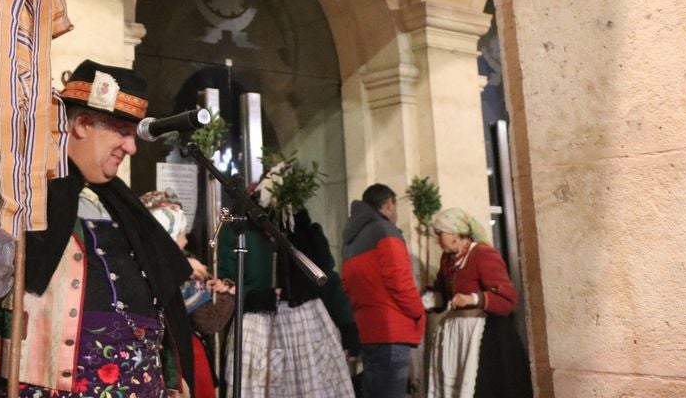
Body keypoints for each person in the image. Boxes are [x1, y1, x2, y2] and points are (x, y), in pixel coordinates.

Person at [0, 60, 197, 397]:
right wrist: (10, 213)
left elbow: (166, 302)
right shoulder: (20, 185)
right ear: (83, 124)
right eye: (122, 132)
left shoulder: (122, 202)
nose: (131, 147)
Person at [216, 161, 357, 398]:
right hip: (258, 325)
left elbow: (326, 279)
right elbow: (226, 284)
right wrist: (255, 296)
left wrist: (348, 325)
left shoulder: (304, 233)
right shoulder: (239, 234)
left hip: (306, 324)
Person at [424, 208, 532, 398]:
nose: (437, 239)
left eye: (440, 234)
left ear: (455, 232)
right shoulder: (447, 259)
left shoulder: (483, 254)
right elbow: (443, 291)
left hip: (483, 334)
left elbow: (507, 298)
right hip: (457, 335)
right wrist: (426, 300)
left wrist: (473, 298)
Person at [141, 190, 234, 398]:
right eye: (181, 234)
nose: (185, 241)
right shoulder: (182, 272)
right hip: (182, 357)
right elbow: (209, 322)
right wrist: (228, 295)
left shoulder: (139, 266)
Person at [342, 183, 425, 398]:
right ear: (388, 204)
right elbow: (399, 281)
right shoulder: (386, 231)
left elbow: (348, 284)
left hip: (367, 330)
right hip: (391, 330)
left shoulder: (352, 238)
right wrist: (418, 312)